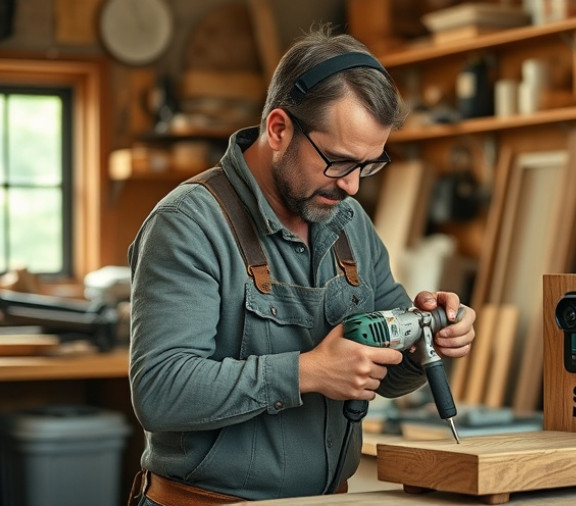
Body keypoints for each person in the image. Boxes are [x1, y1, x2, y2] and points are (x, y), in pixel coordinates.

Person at [127, 25, 476, 504]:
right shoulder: (188, 224)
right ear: (278, 129)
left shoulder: (349, 223)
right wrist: (308, 372)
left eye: (368, 165)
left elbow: (388, 372)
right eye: (338, 161)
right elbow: (161, 391)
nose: (352, 185)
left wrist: (427, 336)